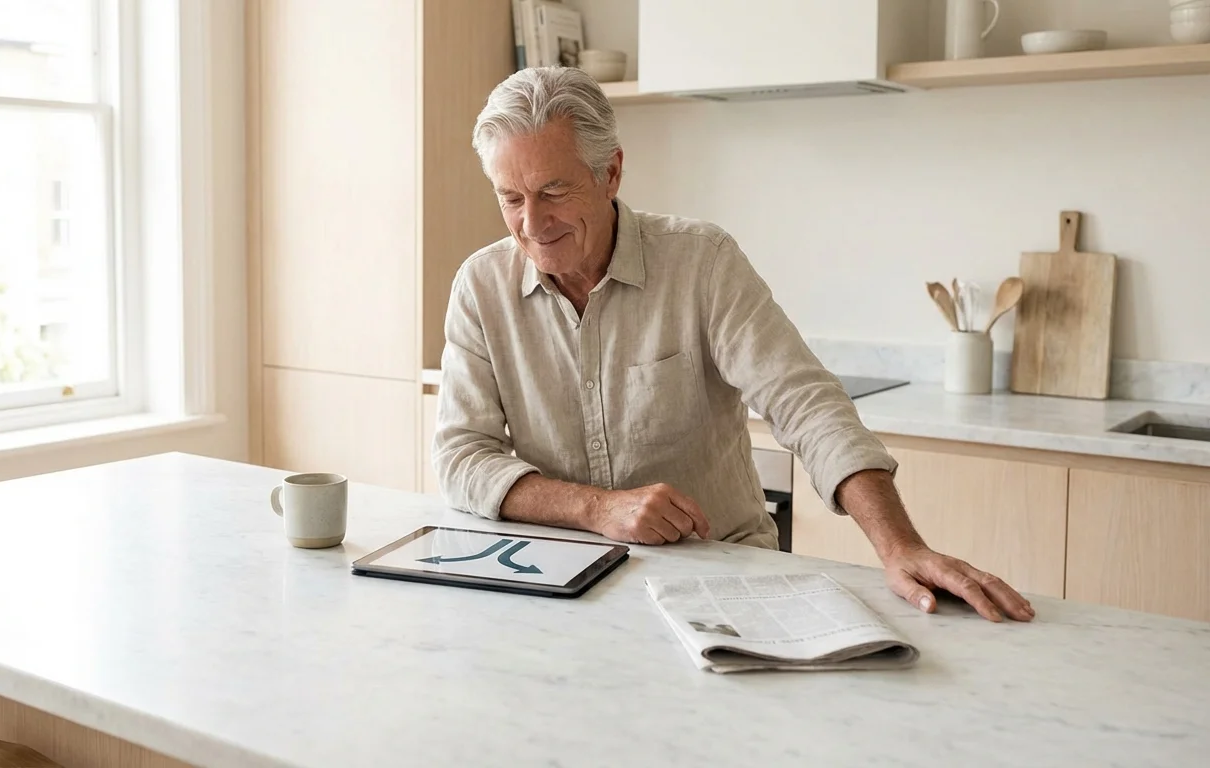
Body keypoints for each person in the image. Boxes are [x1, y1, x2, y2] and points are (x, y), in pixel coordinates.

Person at [432, 67, 1033, 624]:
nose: (532, 224)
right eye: (511, 198)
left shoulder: (701, 261)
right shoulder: (481, 287)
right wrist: (597, 509)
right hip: (560, 583)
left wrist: (902, 547)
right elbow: (461, 457)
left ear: (610, 173)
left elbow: (805, 402)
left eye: (554, 191)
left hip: (719, 574)